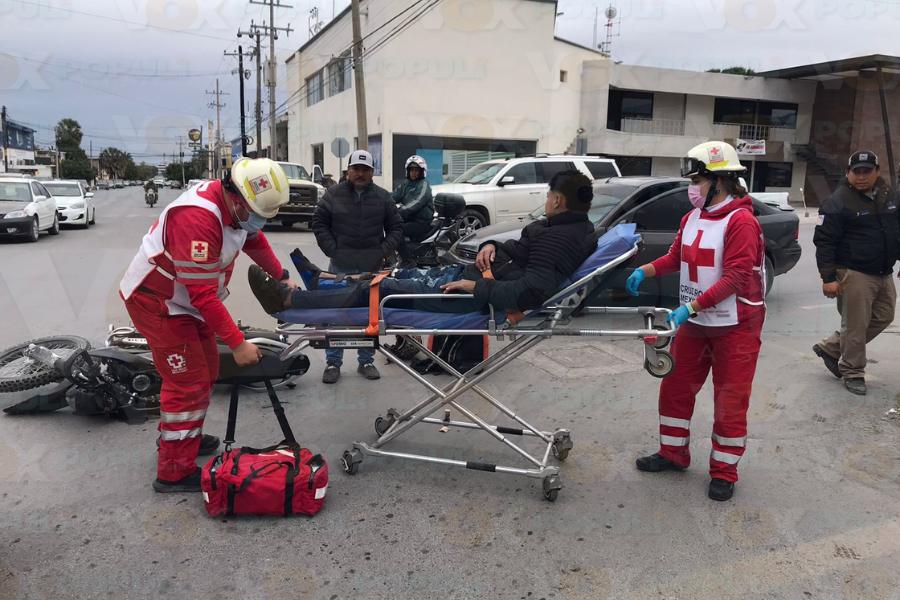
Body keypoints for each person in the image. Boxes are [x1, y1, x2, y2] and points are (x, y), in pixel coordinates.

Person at [120, 158, 296, 493]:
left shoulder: (238, 213)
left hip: (184, 302)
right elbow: (202, 293)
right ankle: (173, 470)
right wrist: (238, 343)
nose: (259, 221)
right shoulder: (198, 217)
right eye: (256, 212)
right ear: (235, 195)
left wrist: (282, 277)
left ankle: (186, 438)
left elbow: (254, 240)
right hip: (159, 302)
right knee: (188, 382)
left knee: (208, 370)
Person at [250, 170, 596, 317]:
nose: (547, 199)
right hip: (473, 282)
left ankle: (290, 299)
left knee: (381, 291)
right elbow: (520, 256)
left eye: (550, 195)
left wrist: (473, 288)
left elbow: (531, 292)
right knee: (396, 276)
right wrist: (495, 249)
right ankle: (323, 281)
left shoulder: (560, 237)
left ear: (558, 200)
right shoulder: (561, 228)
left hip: (473, 299)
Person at [626, 141, 766, 502]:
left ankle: (723, 471)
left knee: (730, 400)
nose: (693, 187)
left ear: (720, 181)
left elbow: (735, 277)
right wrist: (646, 269)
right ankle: (673, 454)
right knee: (674, 388)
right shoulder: (692, 218)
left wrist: (690, 307)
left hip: (735, 326)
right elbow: (677, 256)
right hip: (696, 323)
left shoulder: (742, 222)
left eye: (698, 180)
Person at [311, 149, 404, 384]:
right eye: (356, 169)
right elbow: (319, 224)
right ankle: (333, 362)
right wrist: (333, 249)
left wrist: (382, 252)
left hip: (370, 267)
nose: (360, 173)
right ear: (348, 170)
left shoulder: (383, 197)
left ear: (372, 172)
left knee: (368, 314)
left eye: (366, 169)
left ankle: (367, 361)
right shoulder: (332, 195)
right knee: (338, 314)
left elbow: (397, 229)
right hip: (339, 265)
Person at [812, 150, 899, 396]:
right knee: (856, 325)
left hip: (884, 271)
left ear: (877, 171)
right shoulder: (838, 202)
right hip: (854, 272)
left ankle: (831, 347)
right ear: (848, 173)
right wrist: (828, 278)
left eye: (866, 171)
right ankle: (852, 372)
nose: (861, 176)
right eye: (856, 171)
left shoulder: (888, 195)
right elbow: (824, 241)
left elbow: (894, 230)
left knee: (884, 316)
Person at [393, 155, 434, 266]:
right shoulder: (406, 184)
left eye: (416, 170)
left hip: (421, 222)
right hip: (409, 218)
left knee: (398, 230)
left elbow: (417, 201)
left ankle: (407, 260)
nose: (413, 173)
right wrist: (381, 201)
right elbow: (394, 196)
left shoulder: (424, 185)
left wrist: (400, 211)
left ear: (422, 171)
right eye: (411, 170)